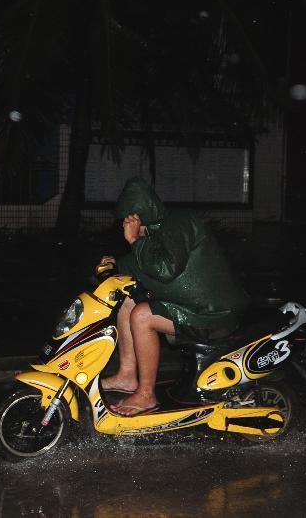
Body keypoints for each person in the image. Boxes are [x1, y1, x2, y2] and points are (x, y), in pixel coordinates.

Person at [100, 177, 249, 416]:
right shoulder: (158, 231)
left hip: (213, 314)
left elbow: (165, 269)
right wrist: (117, 264)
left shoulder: (178, 223)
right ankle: (127, 375)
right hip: (194, 306)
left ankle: (147, 395)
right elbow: (145, 263)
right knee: (127, 302)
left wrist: (134, 241)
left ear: (138, 217)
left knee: (142, 316)